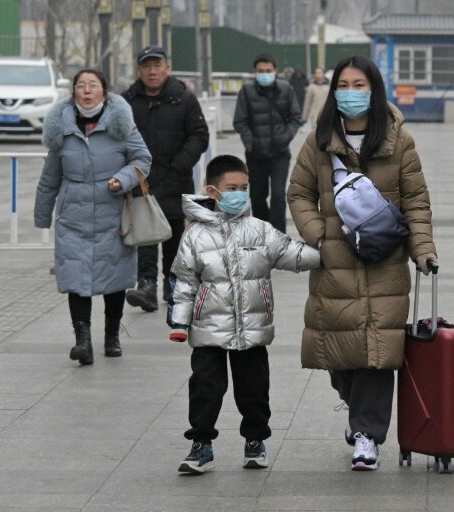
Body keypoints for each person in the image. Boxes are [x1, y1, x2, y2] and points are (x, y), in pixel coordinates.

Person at [287, 55, 437, 471]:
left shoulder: (399, 141)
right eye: (344, 85)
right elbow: (298, 193)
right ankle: (358, 411)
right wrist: (319, 235)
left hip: (385, 261)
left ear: (374, 90)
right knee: (340, 356)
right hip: (335, 263)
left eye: (359, 85)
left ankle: (367, 435)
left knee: (377, 351)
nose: (350, 93)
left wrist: (423, 249)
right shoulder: (319, 141)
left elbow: (416, 200)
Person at [168, 154, 320, 474]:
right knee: (205, 388)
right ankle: (201, 444)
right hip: (208, 327)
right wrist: (179, 321)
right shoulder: (195, 235)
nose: (239, 194)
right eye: (231, 188)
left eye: (244, 188)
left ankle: (255, 439)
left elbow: (292, 253)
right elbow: (184, 280)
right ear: (212, 192)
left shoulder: (260, 230)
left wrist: (330, 253)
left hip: (252, 326)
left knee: (254, 389)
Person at [34, 69, 152, 364]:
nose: (86, 90)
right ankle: (82, 341)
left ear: (104, 91)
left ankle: (112, 336)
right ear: (73, 92)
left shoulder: (121, 125)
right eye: (81, 86)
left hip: (114, 215)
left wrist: (122, 179)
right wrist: (42, 215)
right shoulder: (62, 127)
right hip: (73, 216)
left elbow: (142, 159)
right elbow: (50, 177)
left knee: (114, 276)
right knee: (76, 277)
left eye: (93, 85)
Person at [123, 45, 210, 312]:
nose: (152, 71)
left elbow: (199, 135)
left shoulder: (183, 98)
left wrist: (180, 165)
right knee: (146, 234)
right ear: (139, 70)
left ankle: (172, 286)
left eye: (157, 65)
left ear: (167, 68)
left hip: (175, 179)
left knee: (174, 235)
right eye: (147, 66)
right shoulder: (127, 101)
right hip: (142, 181)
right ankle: (146, 285)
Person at [233, 53, 302, 234]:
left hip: (280, 154)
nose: (265, 74)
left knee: (278, 195)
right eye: (261, 71)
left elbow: (295, 118)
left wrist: (285, 138)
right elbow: (240, 121)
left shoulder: (286, 89)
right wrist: (250, 143)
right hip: (256, 155)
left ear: (275, 70)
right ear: (255, 72)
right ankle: (262, 232)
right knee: (258, 196)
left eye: (268, 70)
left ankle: (278, 235)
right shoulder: (246, 91)